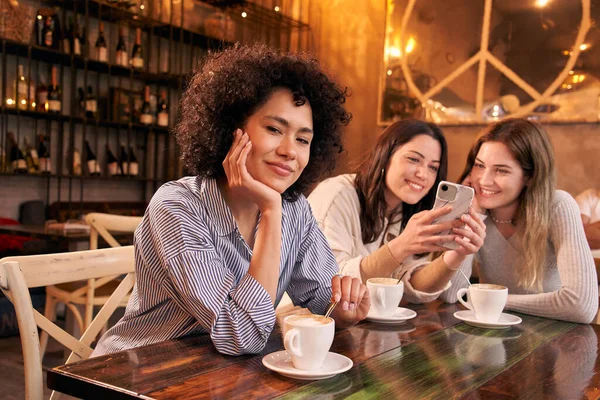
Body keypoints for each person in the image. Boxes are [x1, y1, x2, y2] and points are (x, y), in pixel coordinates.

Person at [92, 43, 370, 357]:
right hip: (135, 372)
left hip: (218, 377)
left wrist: (344, 309)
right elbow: (241, 336)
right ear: (231, 131)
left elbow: (322, 303)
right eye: (274, 129)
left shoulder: (295, 210)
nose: (290, 151)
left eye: (303, 139)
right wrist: (270, 211)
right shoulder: (177, 207)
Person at [308, 119, 486, 304]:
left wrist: (457, 254)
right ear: (385, 155)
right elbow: (329, 284)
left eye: (433, 167)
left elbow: (413, 286)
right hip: (301, 323)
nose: (423, 174)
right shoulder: (336, 194)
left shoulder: (407, 210)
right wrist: (402, 245)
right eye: (414, 159)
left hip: (362, 324)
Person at [441, 118, 598, 323]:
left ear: (530, 176)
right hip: (493, 336)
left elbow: (581, 306)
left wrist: (495, 300)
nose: (484, 180)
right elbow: (452, 294)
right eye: (479, 165)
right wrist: (473, 215)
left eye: (501, 170)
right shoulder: (477, 212)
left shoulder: (558, 206)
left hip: (554, 340)